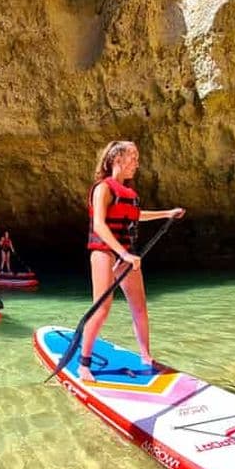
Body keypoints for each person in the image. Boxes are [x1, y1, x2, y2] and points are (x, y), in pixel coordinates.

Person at [78, 140, 185, 382]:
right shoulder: (103, 188)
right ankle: (84, 364)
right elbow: (99, 225)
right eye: (133, 157)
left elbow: (137, 215)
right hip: (105, 251)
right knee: (102, 308)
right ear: (117, 159)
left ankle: (146, 356)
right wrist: (123, 254)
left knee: (139, 307)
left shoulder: (131, 194)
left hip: (126, 253)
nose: (137, 163)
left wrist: (167, 213)